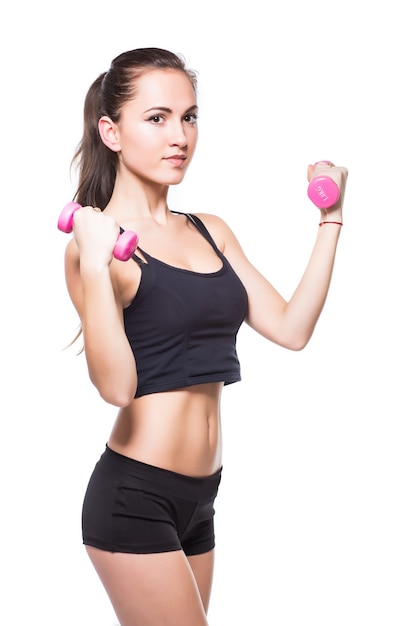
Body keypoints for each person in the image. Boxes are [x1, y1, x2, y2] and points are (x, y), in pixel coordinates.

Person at [63, 47, 348, 626]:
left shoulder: (209, 230)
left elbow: (291, 330)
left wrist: (331, 220)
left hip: (202, 498)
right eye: (157, 118)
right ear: (111, 131)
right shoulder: (95, 248)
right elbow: (116, 388)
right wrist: (94, 267)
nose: (180, 137)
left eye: (189, 117)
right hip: (134, 499)